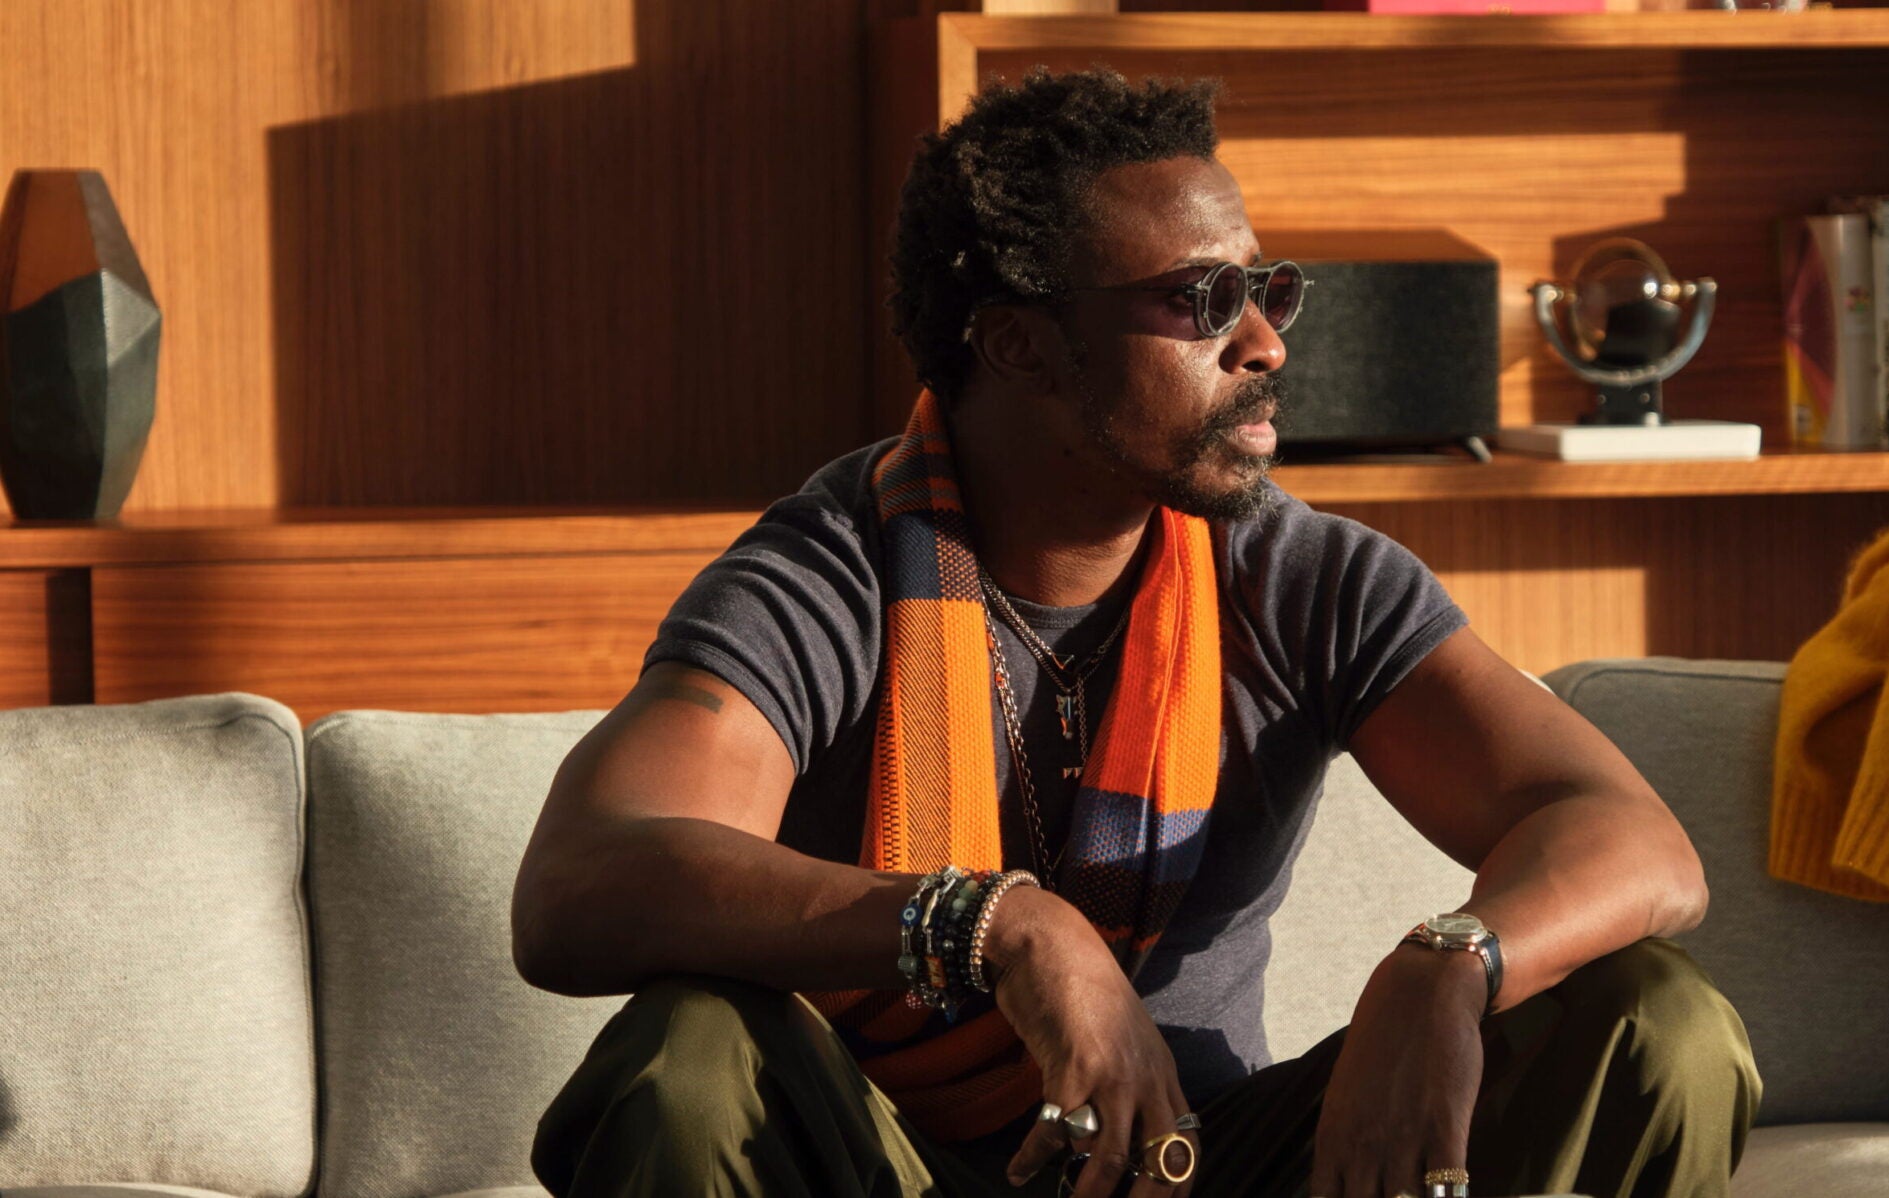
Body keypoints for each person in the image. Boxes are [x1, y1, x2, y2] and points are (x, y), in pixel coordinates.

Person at [511, 68, 1760, 1198]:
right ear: (1018, 342)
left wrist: (1451, 958)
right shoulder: (830, 573)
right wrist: (998, 924)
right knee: (688, 1055)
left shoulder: (1301, 575)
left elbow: (1636, 842)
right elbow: (579, 877)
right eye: (1200, 300)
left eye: (1264, 290)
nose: (1264, 342)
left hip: (1210, 1160)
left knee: (1654, 1017)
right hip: (896, 1167)